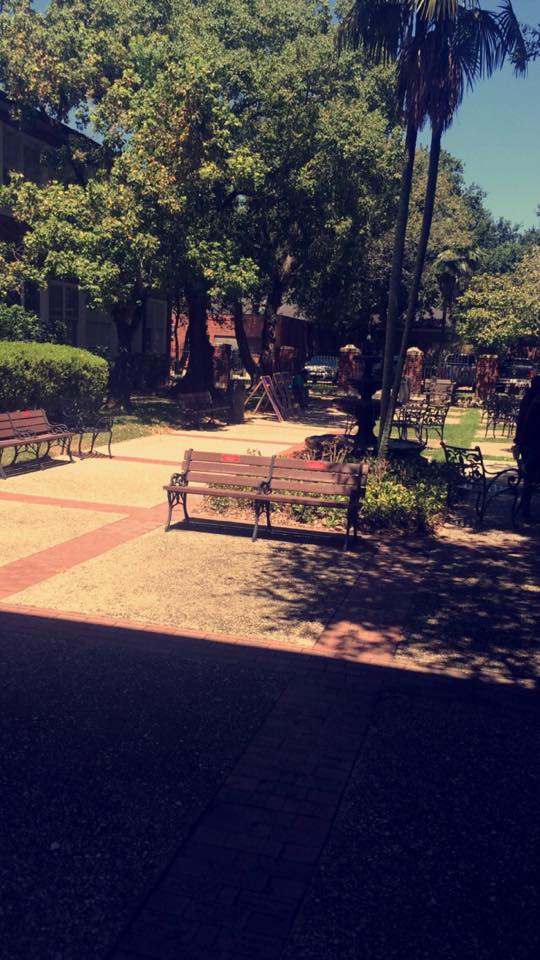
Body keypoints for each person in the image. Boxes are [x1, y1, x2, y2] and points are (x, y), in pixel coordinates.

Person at [514, 375, 540, 520]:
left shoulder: (528, 399)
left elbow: (521, 422)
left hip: (525, 443)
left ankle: (525, 505)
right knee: (530, 477)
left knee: (529, 478)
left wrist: (518, 441)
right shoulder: (536, 403)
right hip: (534, 444)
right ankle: (525, 509)